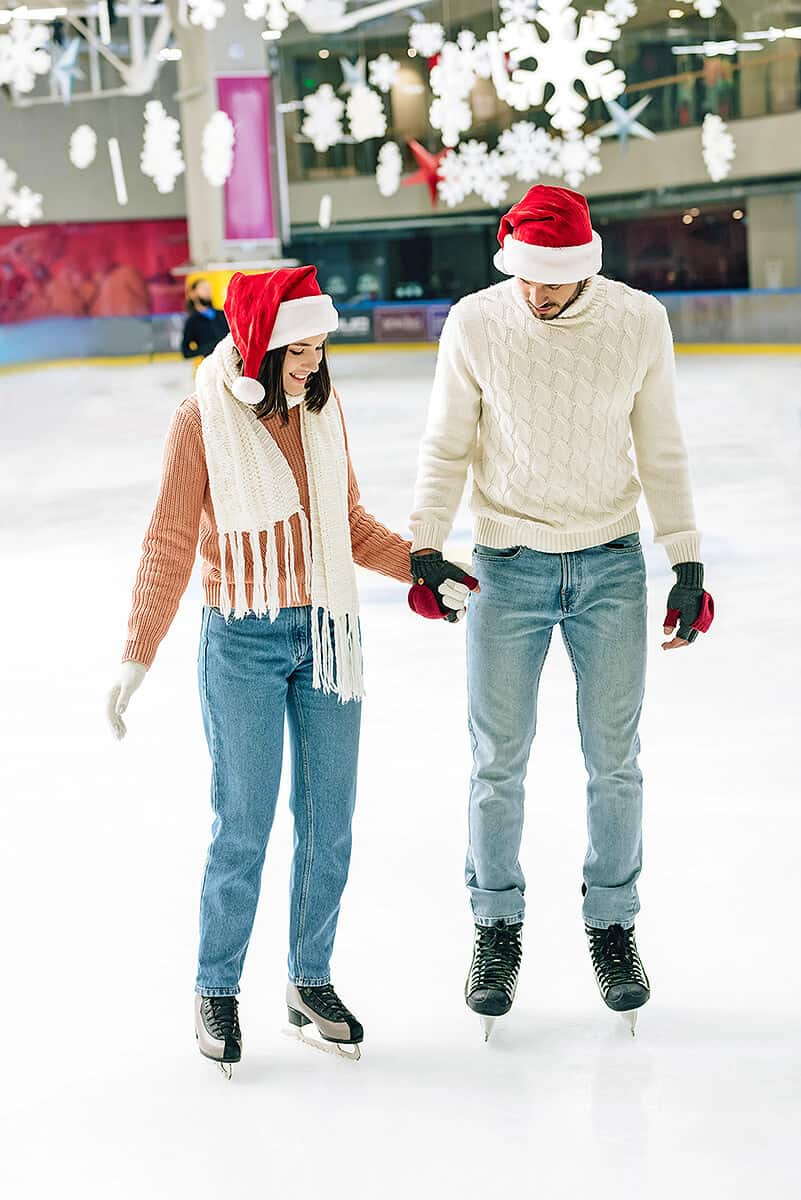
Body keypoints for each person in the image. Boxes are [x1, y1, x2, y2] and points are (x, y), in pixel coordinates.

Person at [407, 185, 715, 1039]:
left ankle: (611, 924)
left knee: (613, 760)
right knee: (496, 760)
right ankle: (495, 926)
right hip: (505, 566)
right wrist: (427, 546)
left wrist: (684, 558)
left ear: (586, 267)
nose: (540, 295)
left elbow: (660, 445)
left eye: (557, 280)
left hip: (611, 564)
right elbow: (445, 442)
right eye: (529, 279)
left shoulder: (637, 321)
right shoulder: (474, 323)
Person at [106, 266, 422, 1073]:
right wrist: (135, 655)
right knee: (242, 826)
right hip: (239, 640)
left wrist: (422, 567)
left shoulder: (323, 411)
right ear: (260, 342)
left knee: (329, 823)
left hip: (324, 632)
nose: (313, 363)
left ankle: (308, 981)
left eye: (320, 348)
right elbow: (170, 542)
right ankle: (216, 987)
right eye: (299, 349)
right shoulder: (199, 420)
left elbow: (346, 525)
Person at [181, 277, 229, 361]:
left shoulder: (223, 314)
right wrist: (206, 349)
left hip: (229, 360)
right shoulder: (192, 321)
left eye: (209, 288)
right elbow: (186, 352)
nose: (207, 291)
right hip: (210, 364)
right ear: (193, 293)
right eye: (203, 288)